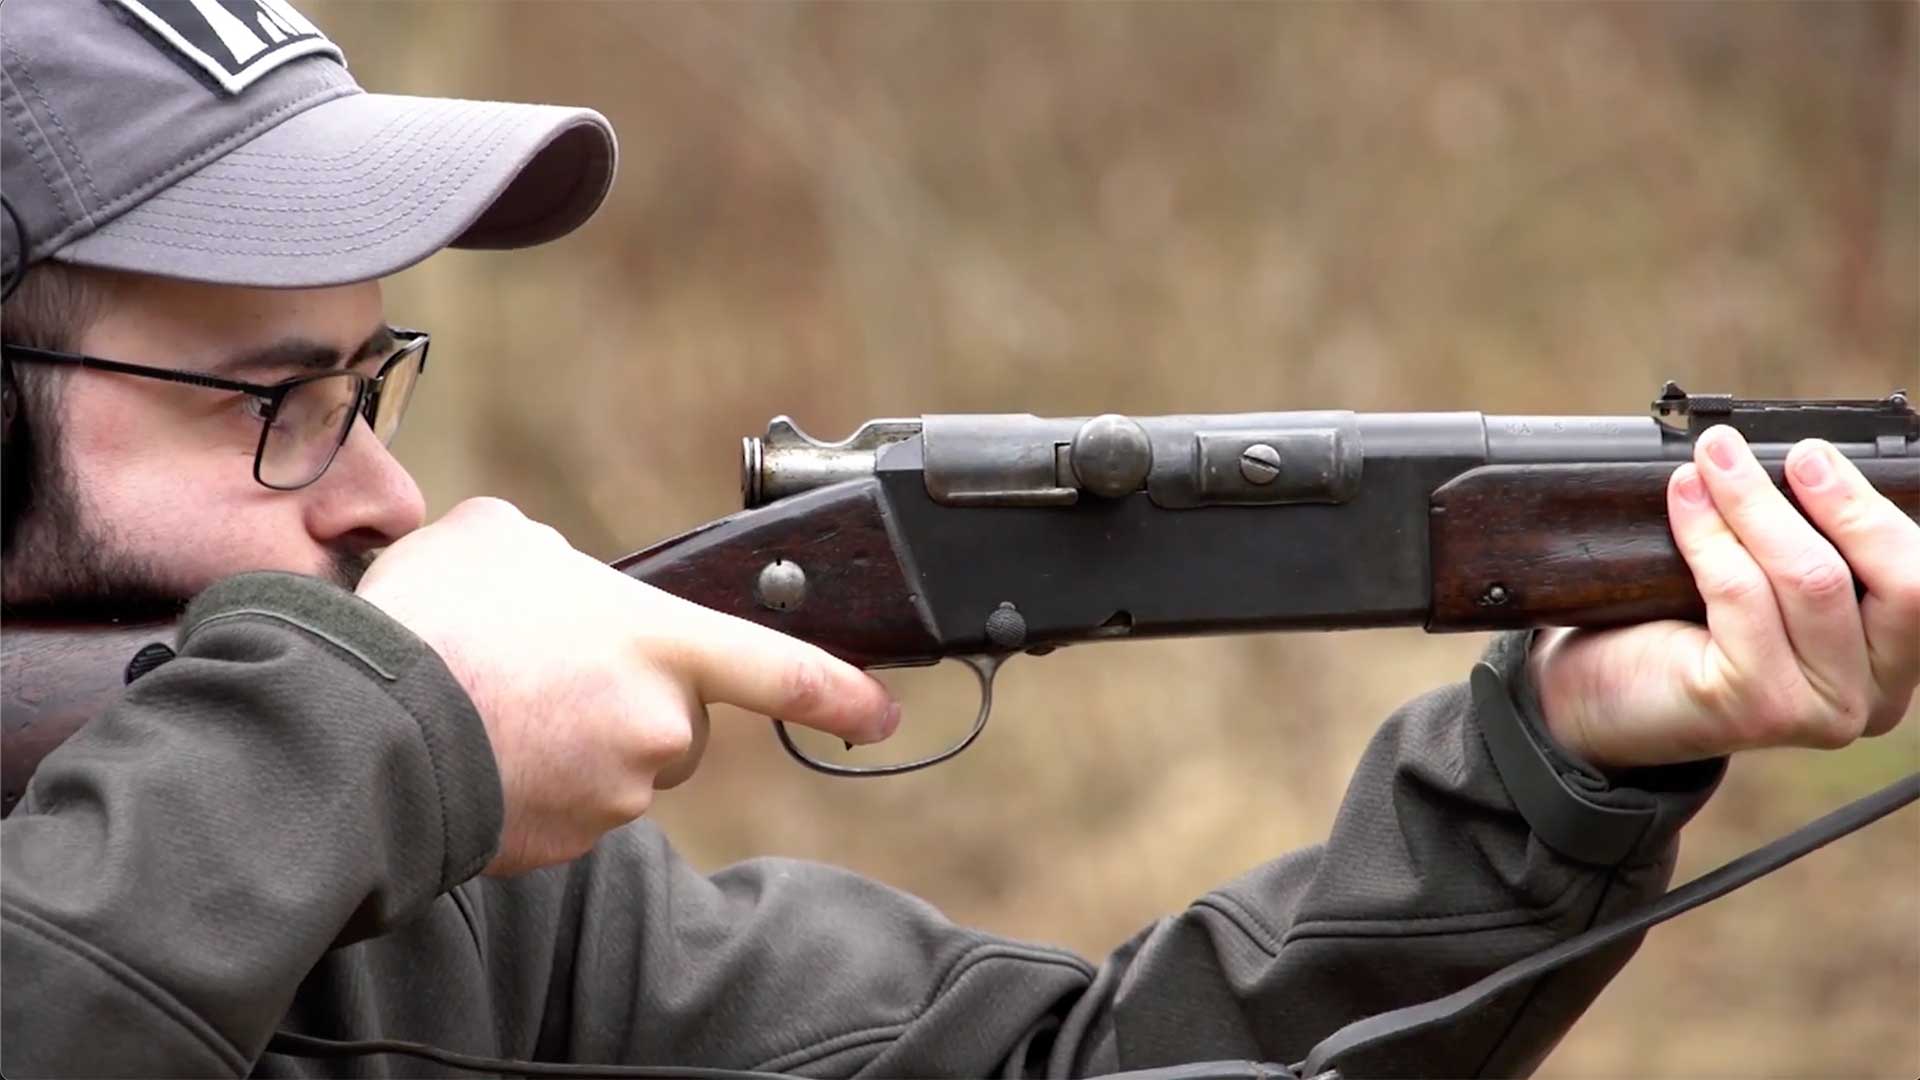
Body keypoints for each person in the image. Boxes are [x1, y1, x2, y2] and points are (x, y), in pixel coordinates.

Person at [1, 3, 1913, 1077]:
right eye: (265, 400)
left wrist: (1562, 764)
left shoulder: (442, 888)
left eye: (370, 382)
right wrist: (363, 737)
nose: (384, 500)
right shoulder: (362, 767)